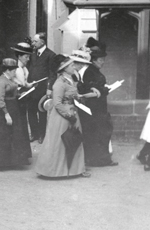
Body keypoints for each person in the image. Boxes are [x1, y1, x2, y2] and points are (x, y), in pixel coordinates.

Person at [35, 55, 90, 178]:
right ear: (64, 69)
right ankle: (56, 171)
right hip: (62, 116)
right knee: (60, 142)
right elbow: (57, 103)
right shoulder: (59, 83)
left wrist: (83, 97)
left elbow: (73, 95)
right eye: (71, 65)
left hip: (73, 111)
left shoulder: (70, 80)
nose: (74, 67)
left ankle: (76, 170)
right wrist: (68, 115)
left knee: (75, 139)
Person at [0, 58, 32, 168]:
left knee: (12, 134)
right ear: (7, 70)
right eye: (13, 70)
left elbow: (13, 93)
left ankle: (11, 161)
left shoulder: (10, 79)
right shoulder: (0, 81)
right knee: (1, 136)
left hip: (12, 107)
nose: (15, 72)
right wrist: (6, 114)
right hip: (2, 111)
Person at [79, 38, 118, 167]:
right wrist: (106, 89)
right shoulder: (90, 72)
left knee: (101, 133)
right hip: (94, 108)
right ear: (94, 61)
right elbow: (91, 88)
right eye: (101, 60)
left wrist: (104, 88)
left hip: (99, 106)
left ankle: (101, 159)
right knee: (97, 133)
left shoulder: (94, 71)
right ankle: (97, 159)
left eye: (103, 60)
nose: (103, 62)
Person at [27, 32, 56, 143]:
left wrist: (49, 87)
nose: (33, 43)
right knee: (31, 111)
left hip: (43, 88)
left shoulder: (51, 55)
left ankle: (41, 135)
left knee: (42, 111)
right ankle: (34, 133)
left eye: (35, 41)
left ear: (42, 42)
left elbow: (52, 73)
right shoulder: (33, 54)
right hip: (31, 87)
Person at [12, 42, 36, 144]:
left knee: (23, 121)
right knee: (19, 122)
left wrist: (30, 85)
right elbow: (14, 84)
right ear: (19, 56)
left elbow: (24, 83)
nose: (28, 59)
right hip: (16, 98)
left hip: (23, 97)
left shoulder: (24, 68)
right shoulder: (15, 69)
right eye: (26, 57)